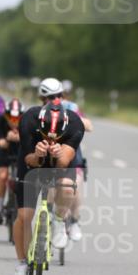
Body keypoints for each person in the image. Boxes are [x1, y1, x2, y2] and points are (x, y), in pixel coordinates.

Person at [10, 78, 86, 275]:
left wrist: (58, 153)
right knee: (24, 216)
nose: (51, 138)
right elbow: (28, 160)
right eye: (46, 135)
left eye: (56, 137)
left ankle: (60, 220)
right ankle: (22, 265)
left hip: (60, 165)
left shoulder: (74, 124)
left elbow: (64, 163)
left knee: (67, 186)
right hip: (31, 166)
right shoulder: (29, 120)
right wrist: (38, 153)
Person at [60, 79, 93, 241]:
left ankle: (74, 221)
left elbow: (89, 126)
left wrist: (75, 121)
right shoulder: (44, 110)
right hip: (51, 154)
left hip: (72, 153)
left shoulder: (71, 107)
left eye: (63, 95)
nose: (61, 98)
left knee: (77, 183)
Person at [0, 98, 24, 224]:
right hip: (4, 150)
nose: (14, 122)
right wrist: (7, 138)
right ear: (6, 115)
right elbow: (0, 142)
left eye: (17, 119)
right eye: (11, 118)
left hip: (20, 151)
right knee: (2, 175)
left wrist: (20, 138)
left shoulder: (26, 121)